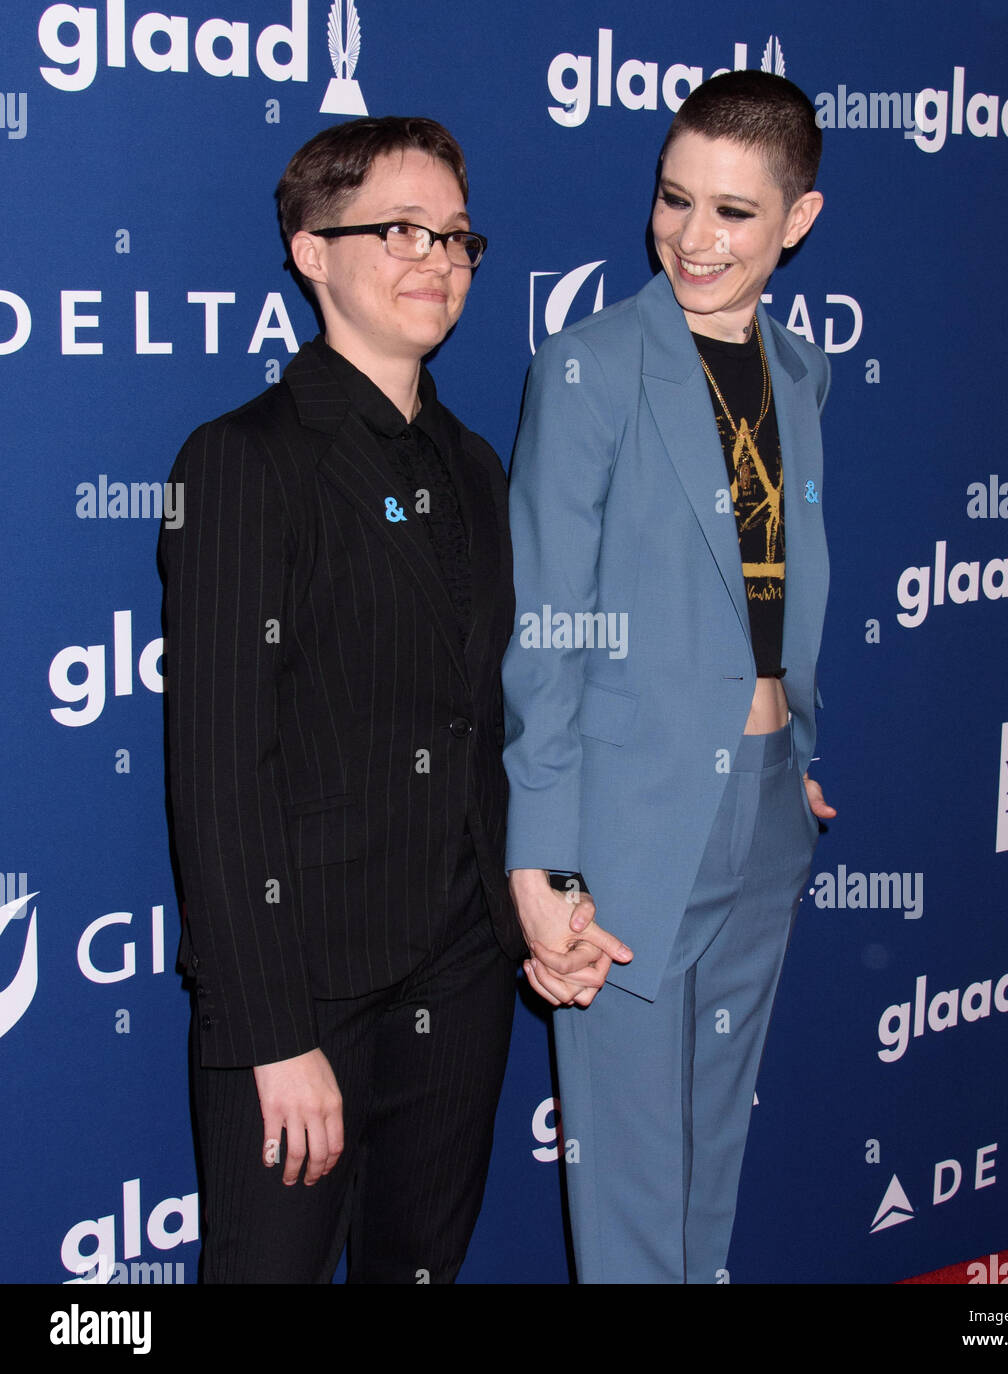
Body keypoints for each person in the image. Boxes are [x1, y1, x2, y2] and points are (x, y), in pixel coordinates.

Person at [160, 116, 521, 1283]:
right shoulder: (240, 461)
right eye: (401, 231)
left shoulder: (474, 467)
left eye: (458, 237)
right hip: (303, 987)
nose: (439, 260)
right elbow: (218, 774)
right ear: (312, 251)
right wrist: (274, 1038)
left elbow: (490, 726)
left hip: (461, 972)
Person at [502, 69, 835, 1284]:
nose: (693, 238)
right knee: (636, 1190)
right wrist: (543, 860)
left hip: (760, 805)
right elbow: (547, 628)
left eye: (735, 213)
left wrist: (789, 750)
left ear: (795, 220)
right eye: (673, 199)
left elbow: (781, 583)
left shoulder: (802, 375)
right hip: (629, 821)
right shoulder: (588, 368)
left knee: (711, 1159)